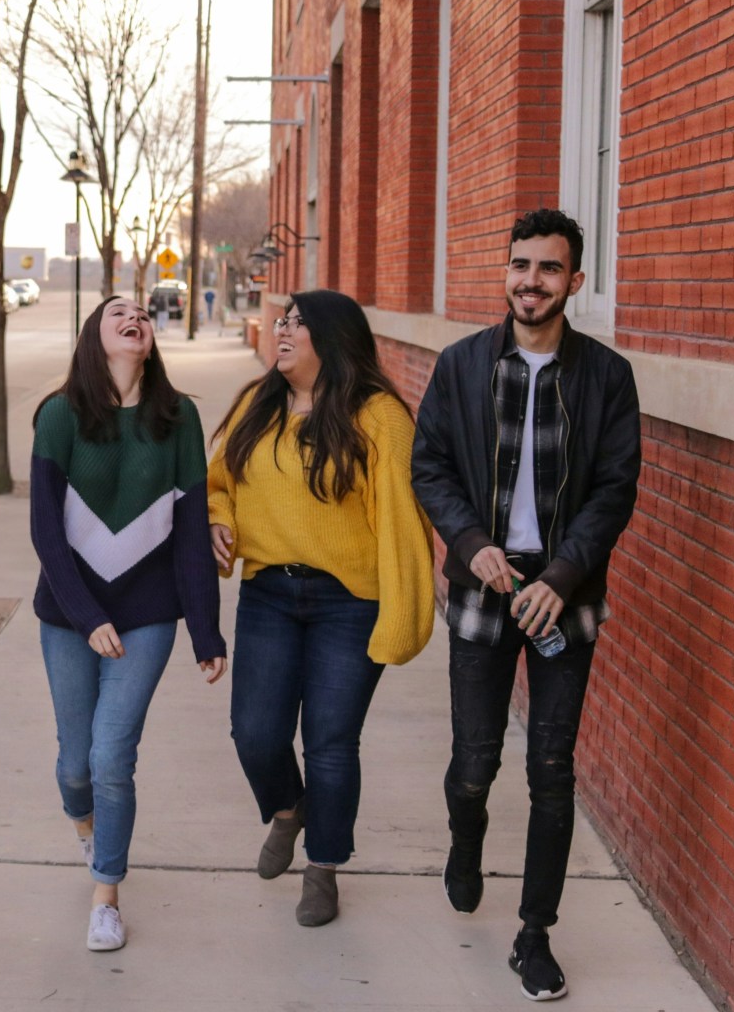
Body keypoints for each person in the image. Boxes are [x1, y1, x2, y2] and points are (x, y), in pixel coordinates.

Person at [411, 209, 641, 1001]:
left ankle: (534, 935)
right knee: (474, 762)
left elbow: (614, 489)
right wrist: (469, 540)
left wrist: (564, 575)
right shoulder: (462, 366)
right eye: (520, 265)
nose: (530, 281)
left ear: (574, 281)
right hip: (485, 586)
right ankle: (465, 839)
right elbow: (430, 465)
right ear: (505, 271)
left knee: (551, 769)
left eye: (548, 268)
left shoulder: (607, 376)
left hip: (563, 595)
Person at [208, 288, 435, 927]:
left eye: (298, 323)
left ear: (332, 339)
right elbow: (218, 483)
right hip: (268, 594)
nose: (281, 329)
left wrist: (402, 616)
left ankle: (323, 868)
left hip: (349, 602)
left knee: (331, 742)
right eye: (282, 320)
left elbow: (403, 523)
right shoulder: (256, 405)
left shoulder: (379, 416)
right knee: (255, 733)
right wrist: (219, 520)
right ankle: (289, 810)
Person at [30, 295, 227, 952]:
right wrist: (87, 617)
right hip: (69, 615)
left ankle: (106, 894)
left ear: (151, 338)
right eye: (117, 311)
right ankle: (87, 826)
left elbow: (193, 532)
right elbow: (46, 533)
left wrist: (205, 630)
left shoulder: (179, 417)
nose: (133, 317)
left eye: (142, 312)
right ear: (94, 335)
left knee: (112, 757)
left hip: (146, 615)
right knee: (75, 766)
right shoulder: (59, 414)